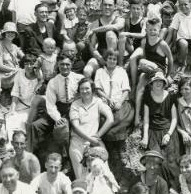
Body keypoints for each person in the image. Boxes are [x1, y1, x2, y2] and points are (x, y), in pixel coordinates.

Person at [30, 54, 80, 162]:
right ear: (58, 65)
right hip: (57, 110)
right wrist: (58, 119)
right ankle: (32, 155)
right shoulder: (53, 82)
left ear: (71, 65)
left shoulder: (78, 79)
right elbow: (50, 105)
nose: (65, 67)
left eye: (67, 64)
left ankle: (67, 160)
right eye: (62, 64)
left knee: (64, 128)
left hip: (73, 109)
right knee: (36, 125)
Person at [93, 49, 132, 182]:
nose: (112, 61)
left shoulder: (121, 71)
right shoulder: (99, 71)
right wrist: (107, 99)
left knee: (120, 118)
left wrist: (119, 102)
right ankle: (109, 148)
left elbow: (126, 89)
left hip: (120, 102)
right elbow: (98, 88)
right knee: (104, 119)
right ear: (105, 59)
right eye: (109, 58)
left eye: (114, 59)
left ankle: (120, 147)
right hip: (105, 101)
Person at [68, 78, 114, 179]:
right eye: (82, 89)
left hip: (94, 145)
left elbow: (110, 119)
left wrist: (97, 136)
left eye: (87, 88)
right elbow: (75, 127)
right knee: (82, 178)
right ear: (79, 91)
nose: (84, 91)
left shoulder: (98, 102)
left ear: (92, 89)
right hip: (77, 144)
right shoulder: (75, 104)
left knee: (103, 176)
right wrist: (90, 139)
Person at [138, 71, 179, 180]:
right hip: (152, 132)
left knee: (171, 162)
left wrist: (169, 134)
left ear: (164, 83)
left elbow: (174, 118)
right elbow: (146, 118)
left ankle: (172, 190)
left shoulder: (170, 97)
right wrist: (145, 136)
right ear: (152, 83)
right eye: (156, 81)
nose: (158, 83)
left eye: (161, 81)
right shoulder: (147, 96)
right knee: (156, 161)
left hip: (167, 131)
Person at [128, 17, 174, 102]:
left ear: (159, 31)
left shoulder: (162, 44)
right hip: (148, 69)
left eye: (154, 30)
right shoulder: (144, 41)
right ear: (146, 30)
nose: (152, 32)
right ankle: (137, 108)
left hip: (159, 70)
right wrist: (143, 68)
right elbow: (144, 56)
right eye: (150, 30)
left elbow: (170, 59)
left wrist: (167, 75)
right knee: (141, 81)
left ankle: (161, 83)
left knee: (141, 62)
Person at [83, 0, 124, 78]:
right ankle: (90, 88)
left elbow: (113, 27)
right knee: (87, 70)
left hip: (115, 58)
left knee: (110, 34)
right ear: (101, 6)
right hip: (101, 57)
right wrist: (99, 58)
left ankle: (113, 66)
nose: (107, 7)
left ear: (115, 6)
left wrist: (94, 30)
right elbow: (92, 46)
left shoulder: (120, 20)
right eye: (105, 5)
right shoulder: (95, 24)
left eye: (110, 5)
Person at [0, 22, 23, 103]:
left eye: (13, 32)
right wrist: (16, 70)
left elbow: (24, 57)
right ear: (4, 33)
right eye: (8, 32)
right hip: (3, 75)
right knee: (21, 74)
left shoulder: (15, 47)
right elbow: (0, 66)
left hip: (14, 74)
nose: (11, 34)